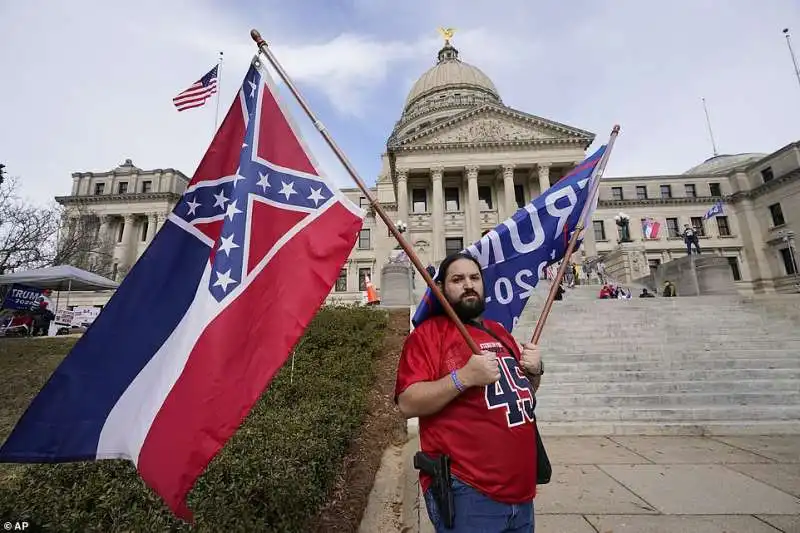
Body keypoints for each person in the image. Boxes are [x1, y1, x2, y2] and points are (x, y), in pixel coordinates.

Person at [394, 252, 543, 532]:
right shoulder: (427, 336)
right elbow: (407, 403)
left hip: (522, 492)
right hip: (469, 491)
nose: (468, 285)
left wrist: (535, 371)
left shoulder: (499, 331)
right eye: (457, 279)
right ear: (441, 289)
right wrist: (462, 378)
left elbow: (523, 395)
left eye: (474, 278)